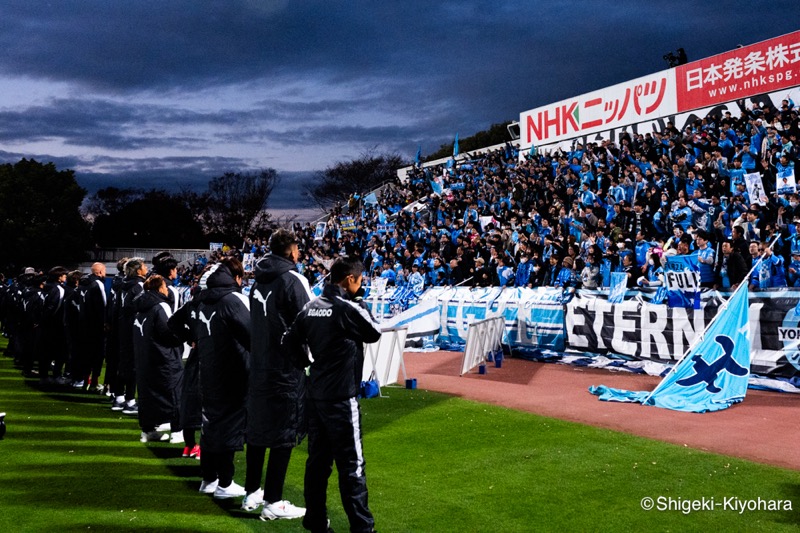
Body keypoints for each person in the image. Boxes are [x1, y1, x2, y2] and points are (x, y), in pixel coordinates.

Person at [283, 256, 381, 533]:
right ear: (350, 279)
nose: (361, 285)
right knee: (352, 466)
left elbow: (288, 341)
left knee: (318, 462)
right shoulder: (345, 307)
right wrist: (359, 302)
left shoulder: (310, 307)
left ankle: (315, 521)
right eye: (360, 280)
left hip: (316, 396)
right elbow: (374, 332)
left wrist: (306, 363)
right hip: (341, 399)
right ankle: (362, 528)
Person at [243, 229, 310, 520]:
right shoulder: (293, 279)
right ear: (292, 250)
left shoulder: (258, 281)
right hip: (285, 367)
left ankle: (251, 492)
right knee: (284, 431)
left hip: (259, 366)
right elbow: (311, 317)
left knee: (259, 430)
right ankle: (273, 501)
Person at [194, 257, 250, 499]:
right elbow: (253, 335)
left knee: (211, 423)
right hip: (234, 371)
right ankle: (225, 483)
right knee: (229, 427)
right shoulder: (234, 299)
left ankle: (208, 478)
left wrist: (193, 340)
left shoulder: (200, 300)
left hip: (208, 369)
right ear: (236, 278)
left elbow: (177, 324)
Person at [132, 274, 184, 443]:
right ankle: (178, 431)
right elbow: (169, 332)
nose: (167, 289)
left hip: (144, 357)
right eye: (165, 286)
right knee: (174, 391)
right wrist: (183, 337)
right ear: (159, 288)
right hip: (164, 357)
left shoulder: (140, 307)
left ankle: (148, 431)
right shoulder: (161, 306)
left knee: (147, 393)